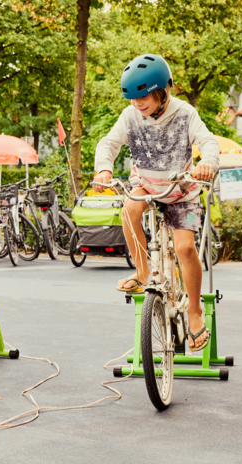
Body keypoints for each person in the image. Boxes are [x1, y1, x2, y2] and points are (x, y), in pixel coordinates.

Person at [93, 54, 219, 351]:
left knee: (185, 248)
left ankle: (194, 311)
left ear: (163, 90)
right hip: (147, 186)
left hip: (180, 189)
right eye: (133, 99)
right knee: (129, 210)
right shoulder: (130, 116)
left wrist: (207, 163)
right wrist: (103, 167)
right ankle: (142, 273)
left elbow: (207, 141)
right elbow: (108, 144)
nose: (137, 104)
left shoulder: (185, 113)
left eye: (144, 97)